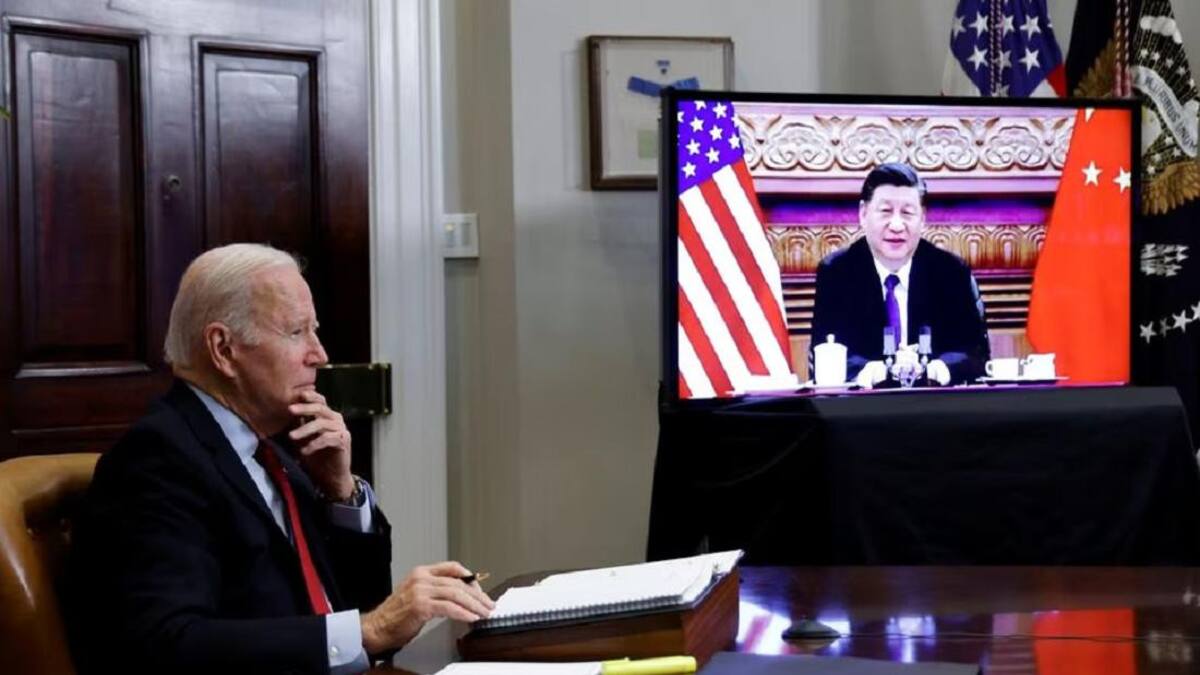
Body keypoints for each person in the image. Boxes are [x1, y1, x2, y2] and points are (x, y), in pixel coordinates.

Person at [69, 243, 494, 674]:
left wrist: (341, 494)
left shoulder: (272, 450)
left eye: (315, 330)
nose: (320, 354)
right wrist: (370, 631)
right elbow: (168, 643)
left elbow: (358, 609)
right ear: (224, 348)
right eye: (296, 332)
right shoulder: (157, 461)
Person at [809, 162, 990, 386]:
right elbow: (825, 351)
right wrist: (877, 370)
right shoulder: (837, 273)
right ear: (863, 214)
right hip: (860, 410)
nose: (896, 225)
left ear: (922, 218)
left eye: (907, 213)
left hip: (936, 408)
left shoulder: (950, 272)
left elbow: (975, 352)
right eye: (885, 211)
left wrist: (932, 369)